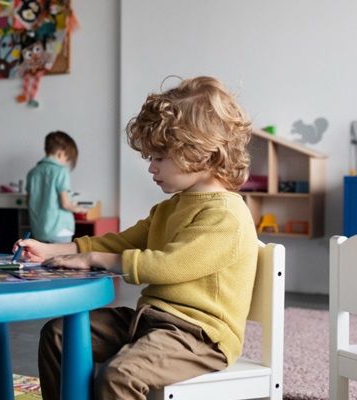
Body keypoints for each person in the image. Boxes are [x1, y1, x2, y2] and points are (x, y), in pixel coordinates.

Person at [14, 76, 258, 400]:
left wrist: (96, 259)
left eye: (159, 157)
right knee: (58, 336)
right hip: (151, 320)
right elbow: (121, 242)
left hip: (199, 336)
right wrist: (50, 250)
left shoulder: (227, 215)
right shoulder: (170, 207)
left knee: (119, 377)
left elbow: (170, 266)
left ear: (200, 155)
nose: (151, 168)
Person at [25, 130, 86, 243]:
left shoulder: (33, 172)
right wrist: (79, 209)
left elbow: (28, 201)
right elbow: (65, 203)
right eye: (67, 158)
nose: (66, 162)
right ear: (61, 152)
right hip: (59, 229)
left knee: (40, 260)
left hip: (38, 230)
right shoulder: (61, 171)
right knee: (61, 260)